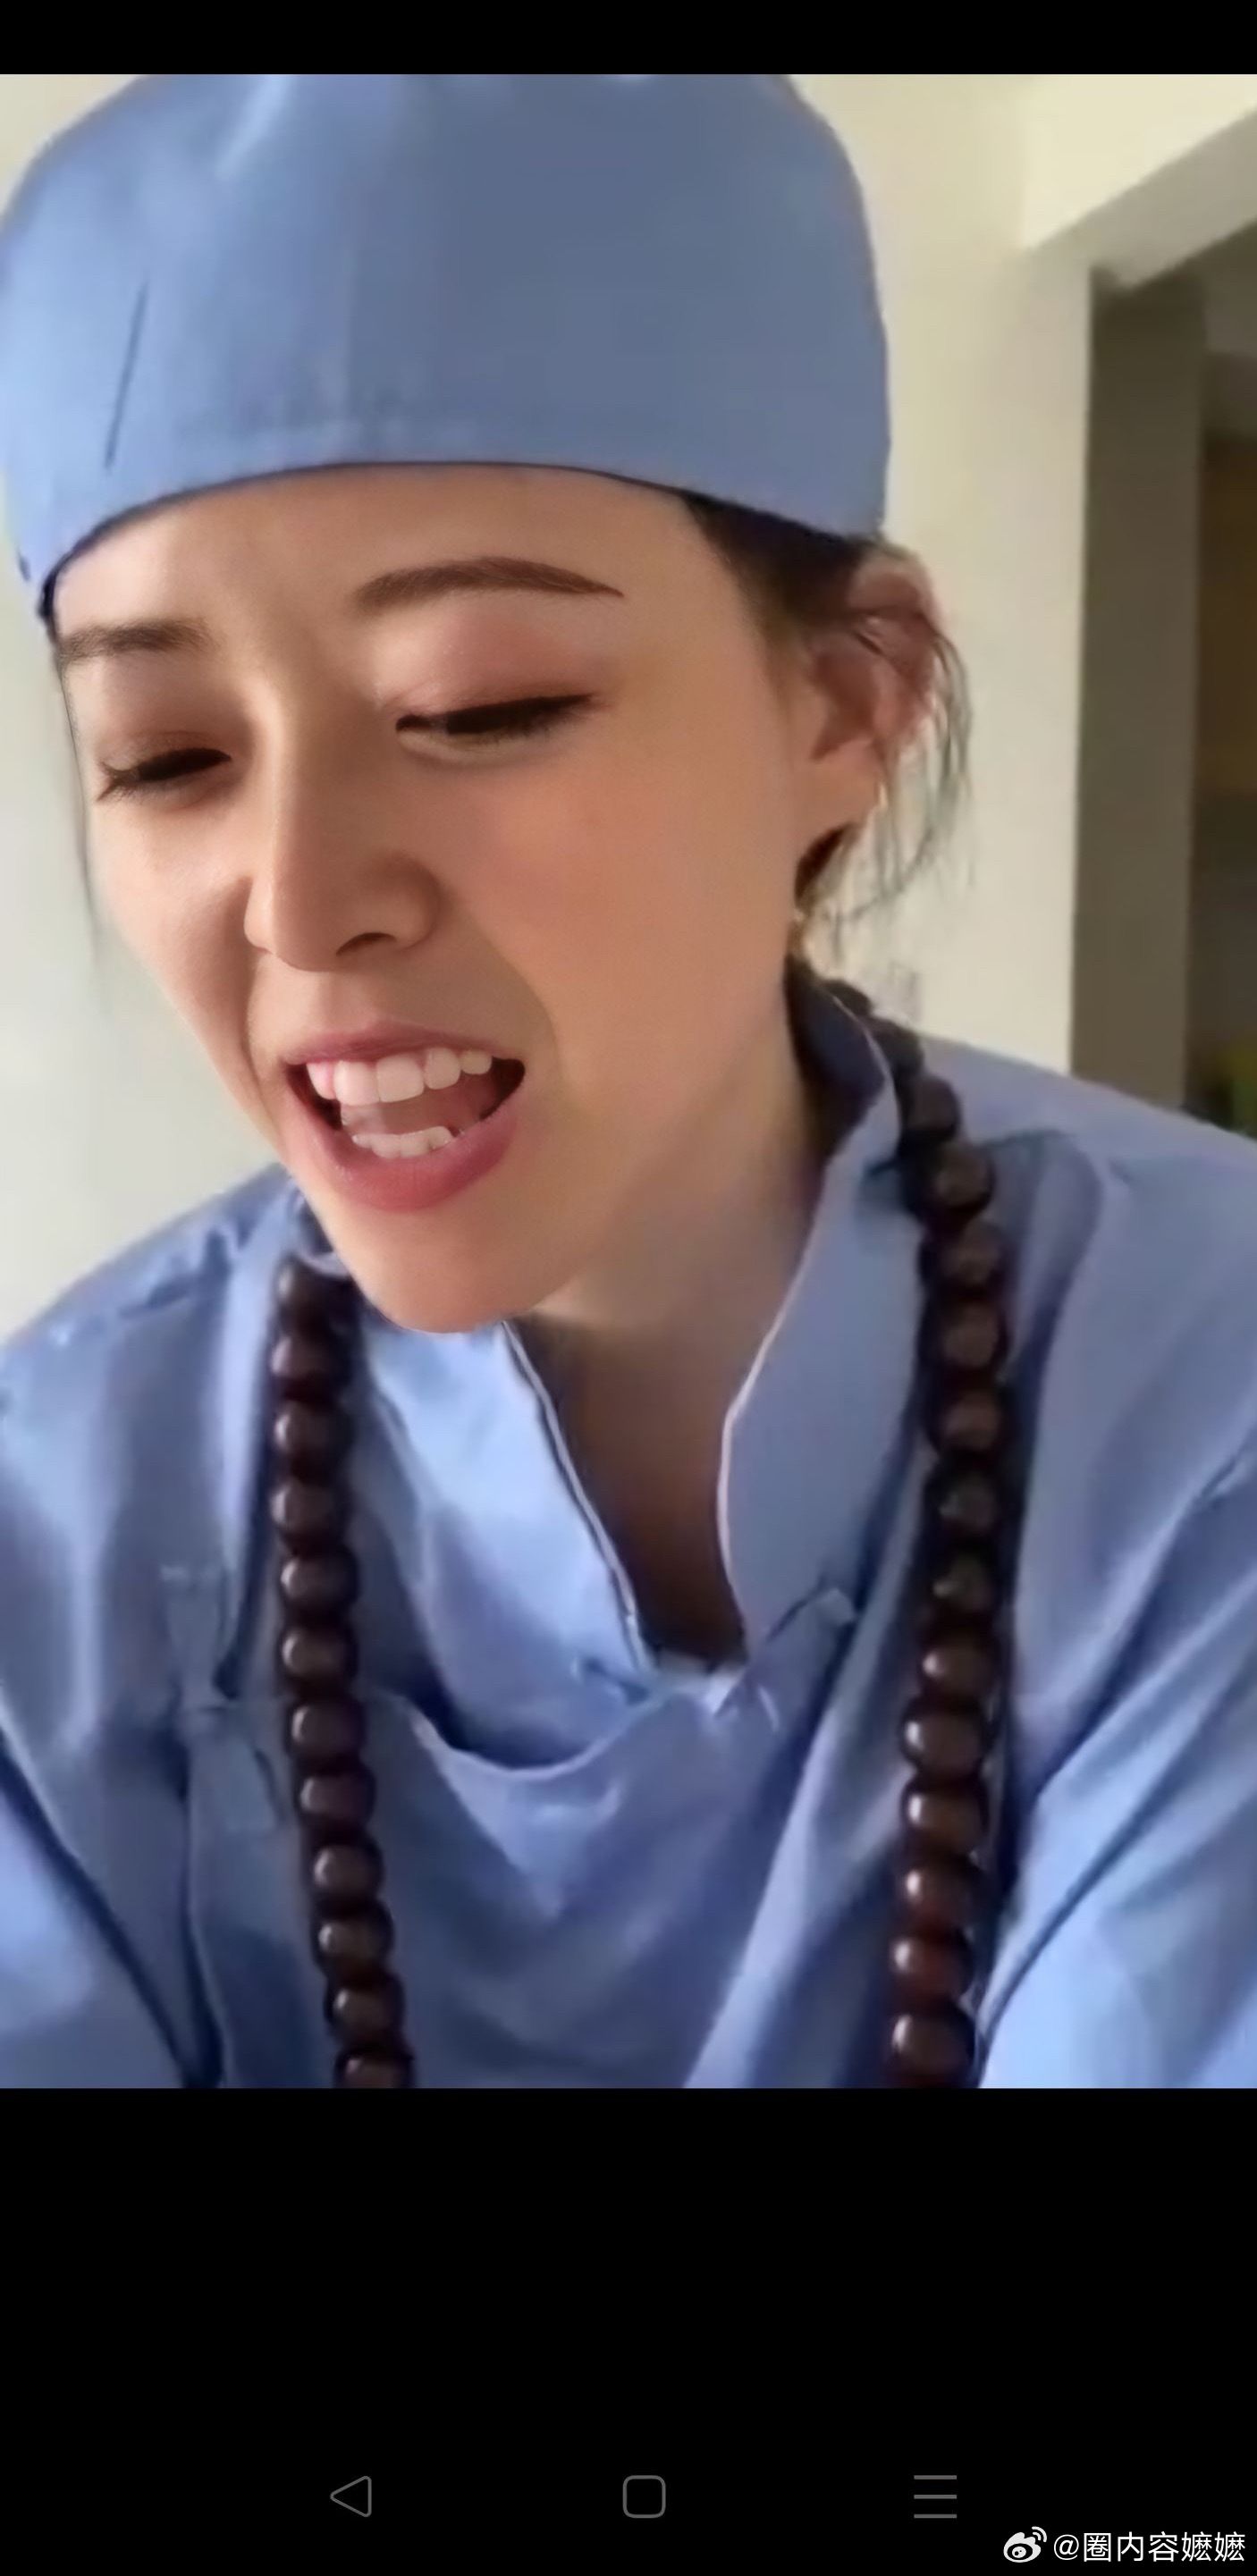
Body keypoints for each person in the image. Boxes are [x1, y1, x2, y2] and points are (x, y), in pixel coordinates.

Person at [0, 74, 1254, 2092]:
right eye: (166, 756)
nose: (303, 901)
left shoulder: (1208, 1396)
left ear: (842, 704)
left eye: (480, 705)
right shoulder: (49, 1525)